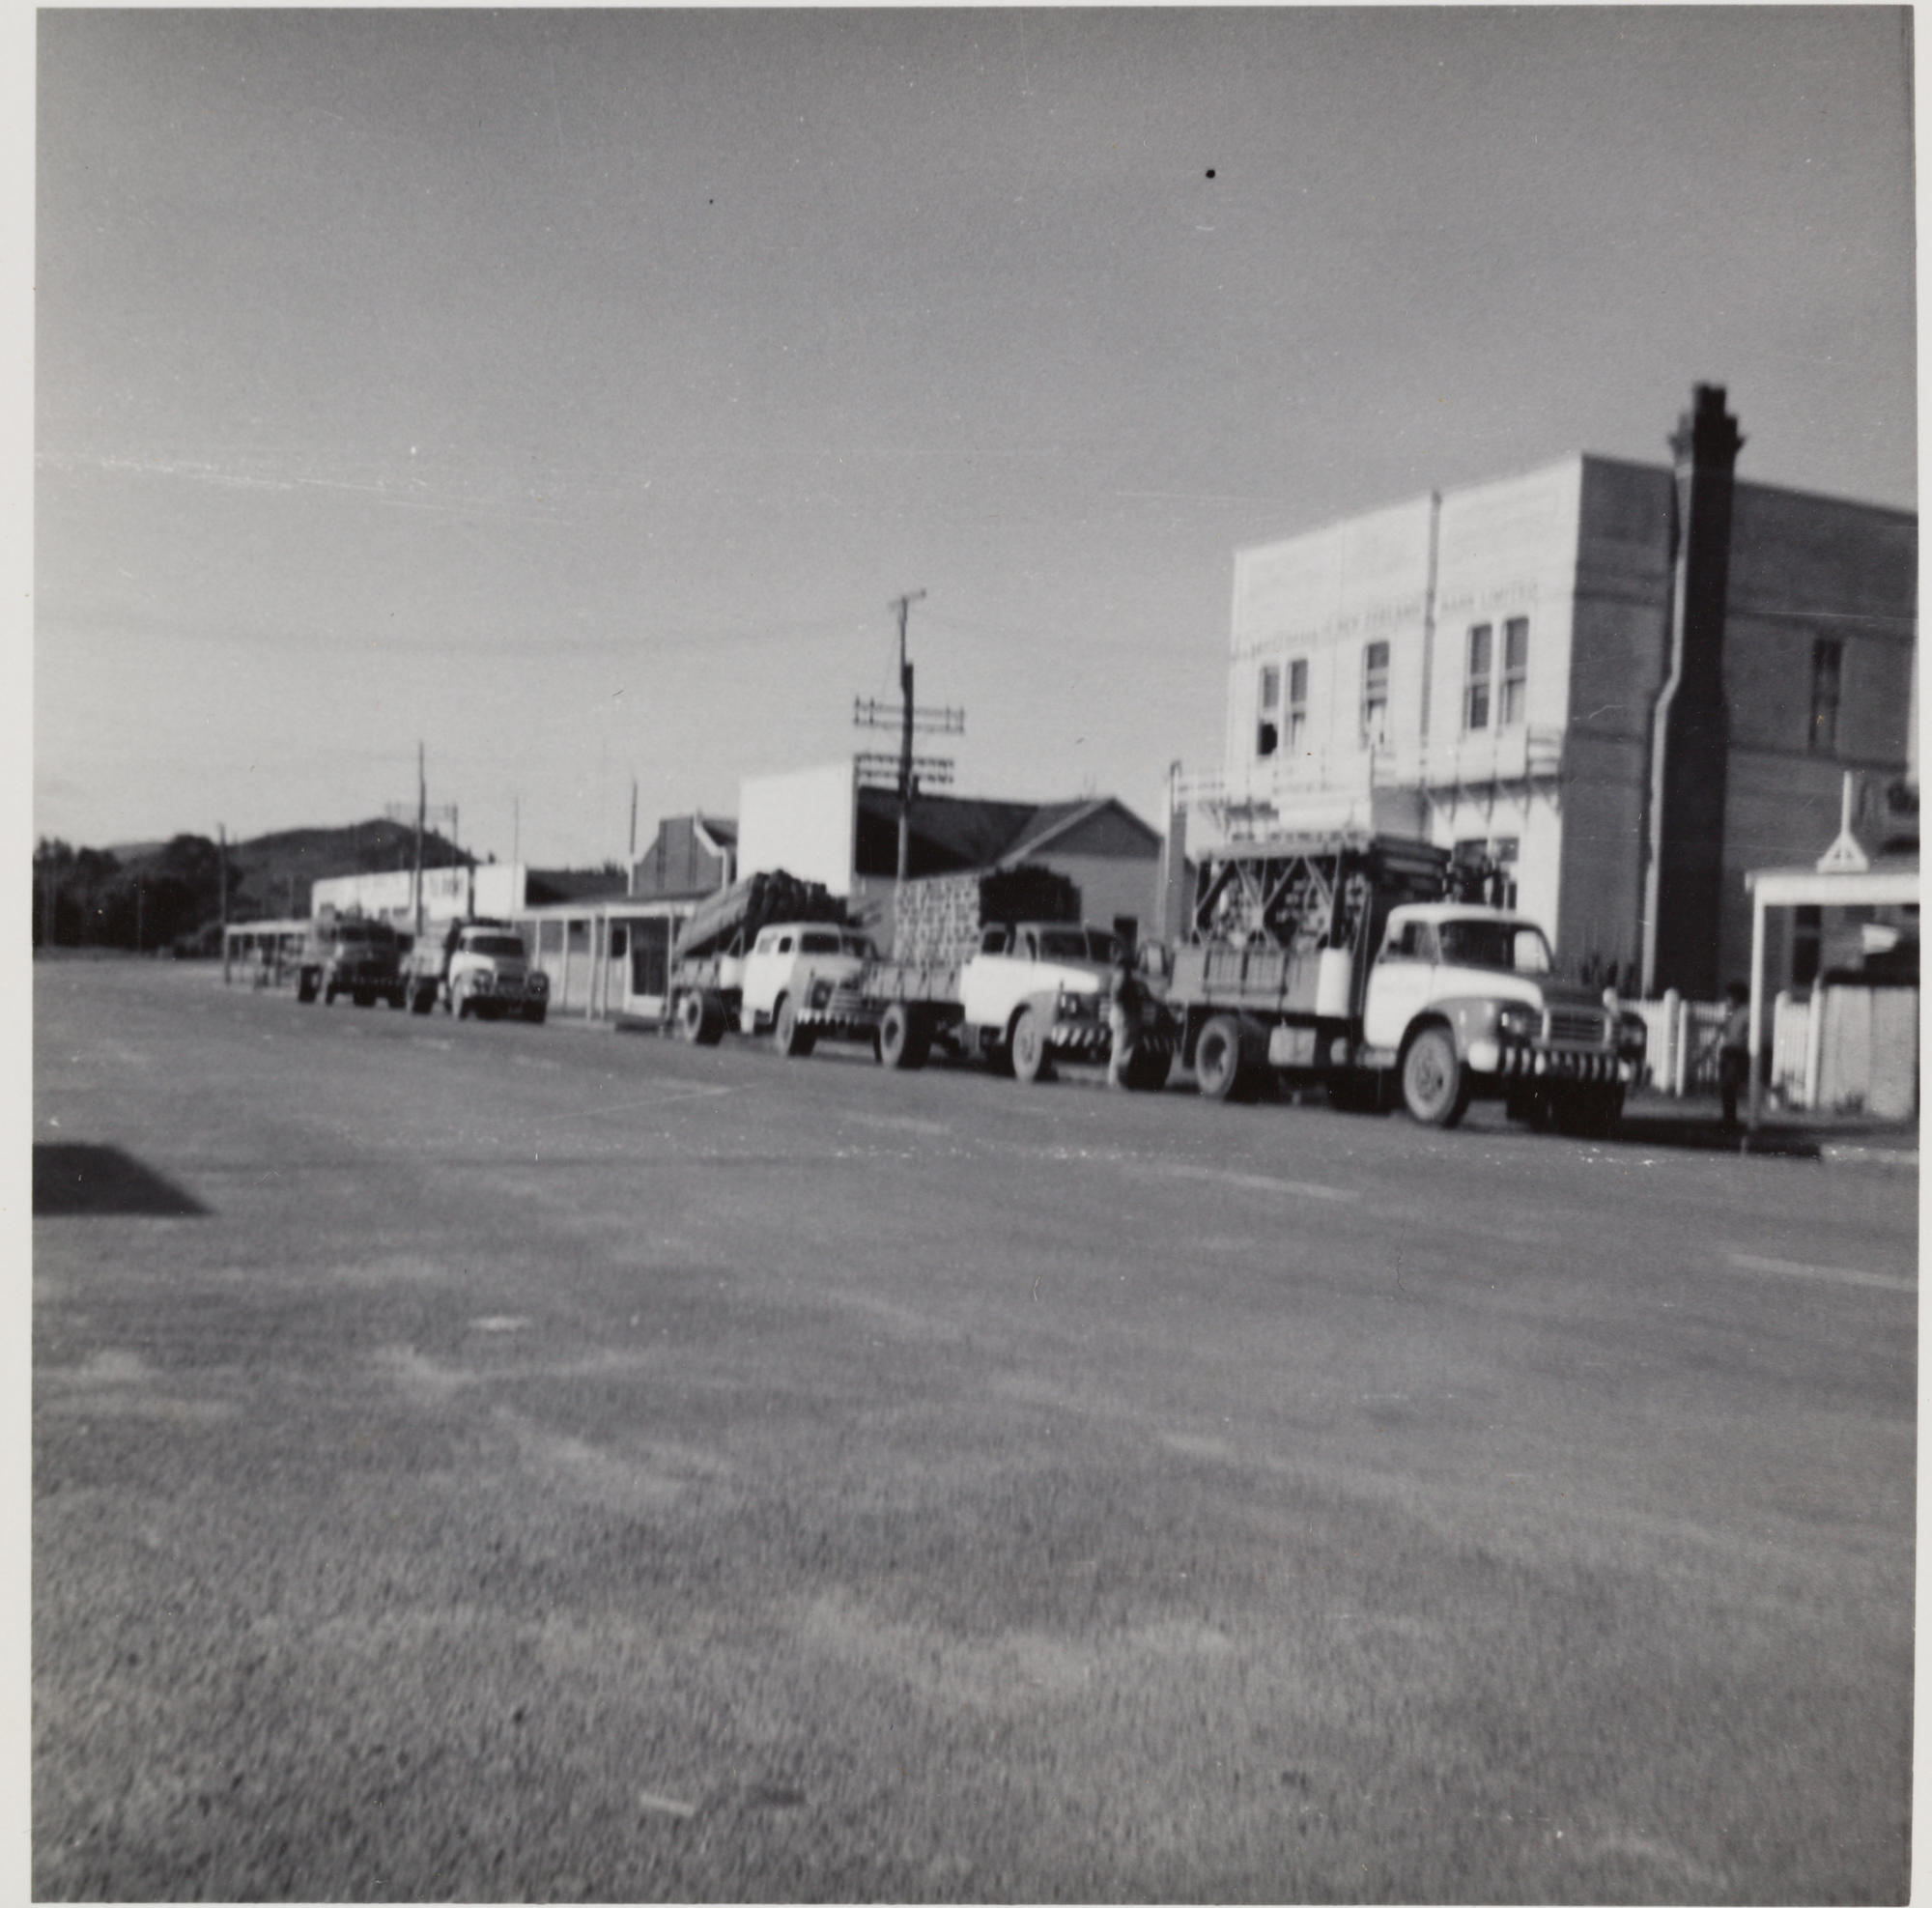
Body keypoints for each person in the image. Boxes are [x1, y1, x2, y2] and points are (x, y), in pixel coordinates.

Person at [1107, 947, 1145, 1090]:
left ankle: (1116, 1078)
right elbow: (1116, 996)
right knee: (1120, 1048)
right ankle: (1115, 1078)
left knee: (1120, 1047)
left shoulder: (1120, 975)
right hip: (1123, 1015)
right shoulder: (1122, 976)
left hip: (1120, 1014)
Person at [1719, 981, 1751, 1127]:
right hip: (1727, 1051)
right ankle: (1728, 1117)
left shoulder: (1746, 1013)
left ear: (1737, 997)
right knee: (1725, 1087)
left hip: (1737, 1053)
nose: (1727, 1001)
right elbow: (1725, 1032)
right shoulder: (1730, 1013)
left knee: (1729, 1085)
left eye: (1729, 997)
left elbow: (1746, 1034)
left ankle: (1730, 1120)